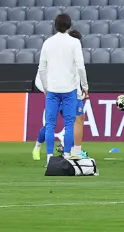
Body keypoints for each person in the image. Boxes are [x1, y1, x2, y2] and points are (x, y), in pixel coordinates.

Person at [33, 13, 89, 163]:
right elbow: (80, 66)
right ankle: (67, 156)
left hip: (52, 89)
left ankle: (49, 158)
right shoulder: (74, 43)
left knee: (50, 125)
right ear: (69, 26)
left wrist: (45, 87)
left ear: (55, 26)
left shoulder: (48, 43)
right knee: (69, 124)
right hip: (69, 90)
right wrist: (85, 86)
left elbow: (42, 68)